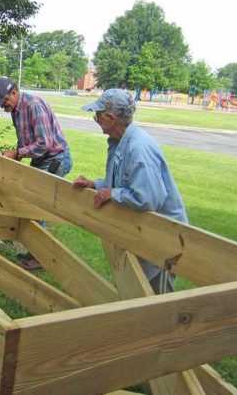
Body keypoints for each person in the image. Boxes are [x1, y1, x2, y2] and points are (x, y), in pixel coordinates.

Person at [72, 88, 187, 294]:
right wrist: (95, 185)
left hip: (162, 240)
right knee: (135, 294)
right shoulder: (120, 142)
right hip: (140, 234)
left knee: (155, 304)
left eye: (97, 115)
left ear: (110, 117)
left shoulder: (138, 148)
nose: (95, 119)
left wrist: (112, 194)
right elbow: (123, 183)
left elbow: (148, 198)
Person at [0, 77, 72, 270]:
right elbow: (25, 139)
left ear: (14, 93)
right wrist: (15, 157)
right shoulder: (16, 110)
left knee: (38, 207)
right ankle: (35, 251)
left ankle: (39, 257)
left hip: (55, 159)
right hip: (41, 159)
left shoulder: (33, 105)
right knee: (32, 204)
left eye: (4, 101)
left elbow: (45, 143)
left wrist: (17, 153)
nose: (3, 106)